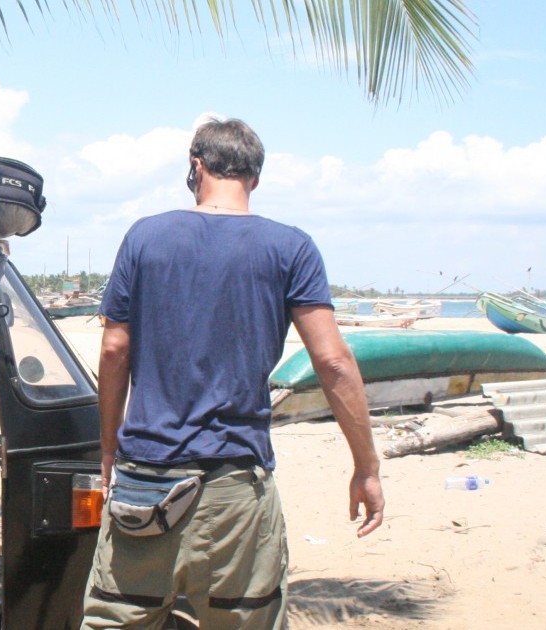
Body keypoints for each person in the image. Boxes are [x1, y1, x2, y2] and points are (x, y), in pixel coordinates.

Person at [80, 118, 385, 630]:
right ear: (255, 179)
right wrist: (366, 467)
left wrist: (110, 447)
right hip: (235, 491)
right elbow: (333, 362)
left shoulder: (144, 237)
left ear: (195, 168)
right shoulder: (291, 248)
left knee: (118, 617)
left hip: (145, 483)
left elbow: (114, 350)